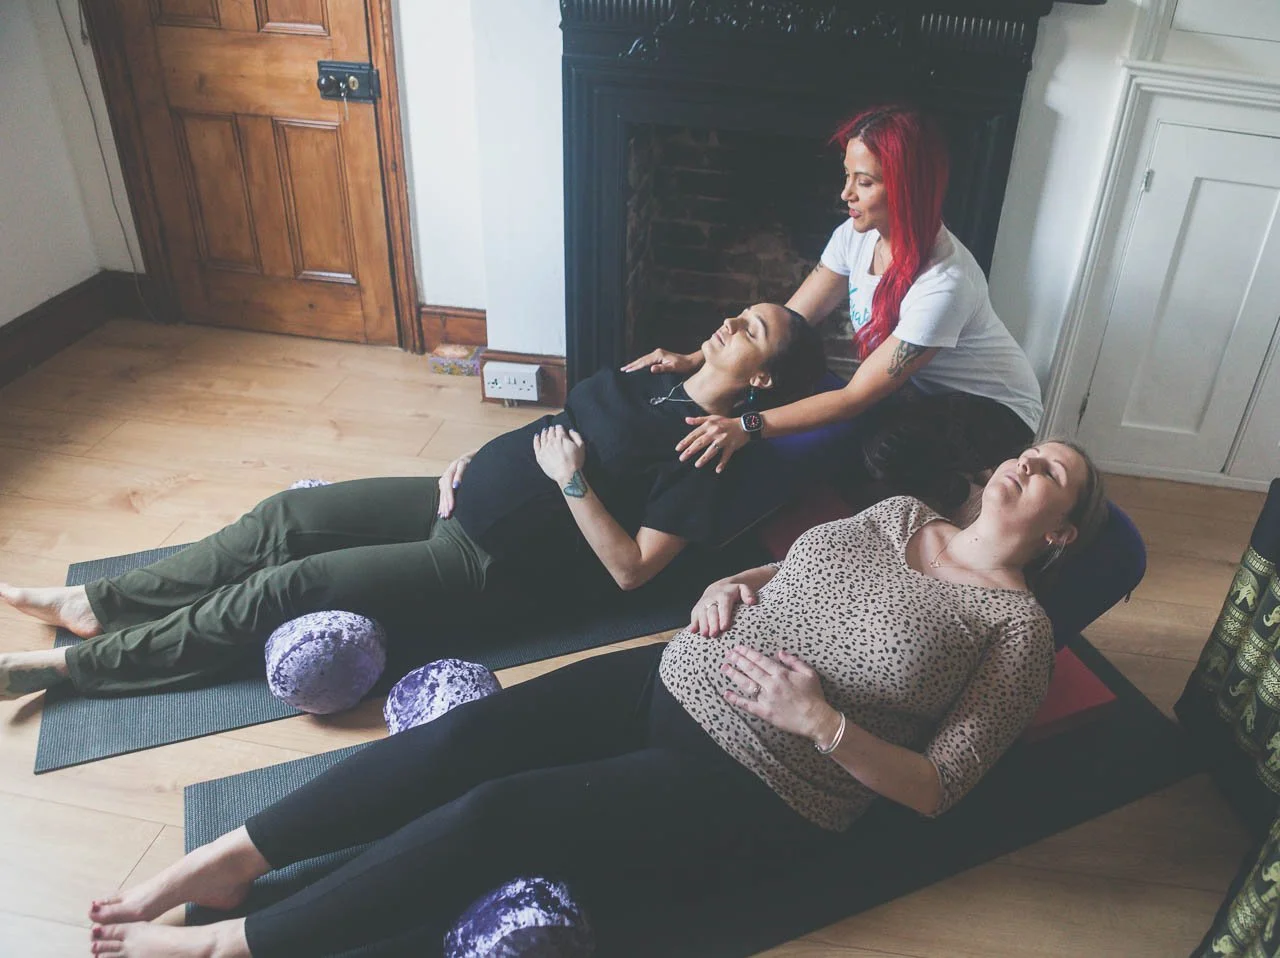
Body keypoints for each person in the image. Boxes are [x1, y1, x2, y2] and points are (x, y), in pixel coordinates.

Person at [83, 441, 1106, 958]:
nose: (1026, 458)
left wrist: (824, 723)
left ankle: (238, 942)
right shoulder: (898, 511)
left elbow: (937, 789)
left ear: (1062, 530)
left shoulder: (1015, 630)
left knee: (500, 813)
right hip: (671, 670)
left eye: (1052, 467)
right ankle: (229, 861)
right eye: (1030, 446)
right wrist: (731, 584)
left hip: (763, 782)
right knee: (469, 738)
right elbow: (791, 569)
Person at [0, 303, 825, 701]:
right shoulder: (660, 370)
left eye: (749, 330)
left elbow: (634, 571)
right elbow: (562, 423)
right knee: (281, 519)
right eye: (740, 312)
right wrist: (481, 454)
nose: (729, 323)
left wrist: (571, 480)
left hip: (482, 559)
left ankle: (80, 667)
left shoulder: (705, 451)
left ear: (760, 379)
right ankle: (93, 604)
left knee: (288, 584)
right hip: (455, 493)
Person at [624, 105, 1043, 513]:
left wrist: (745, 427)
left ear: (906, 188)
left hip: (996, 411)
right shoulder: (855, 235)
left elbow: (853, 398)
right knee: (803, 399)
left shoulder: (944, 285)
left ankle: (966, 497)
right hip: (926, 394)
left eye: (864, 182)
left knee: (881, 448)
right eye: (847, 176)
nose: (845, 194)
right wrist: (698, 356)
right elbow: (790, 319)